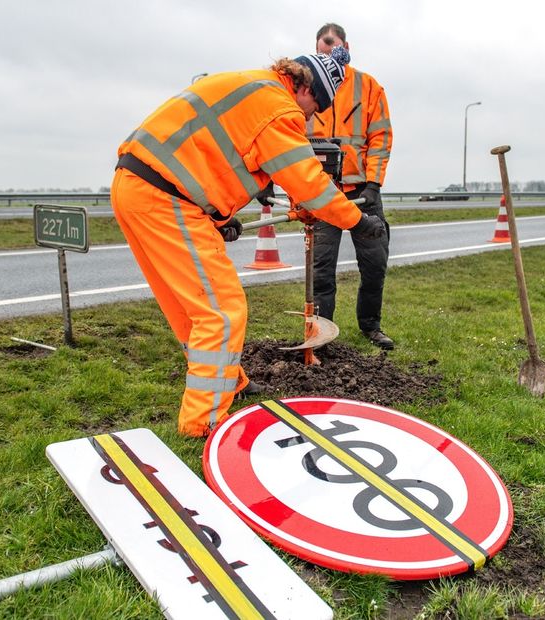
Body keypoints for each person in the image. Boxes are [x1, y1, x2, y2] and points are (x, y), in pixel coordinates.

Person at [110, 51, 386, 438]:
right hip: (165, 199)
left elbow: (209, 154)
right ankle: (203, 424)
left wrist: (219, 218)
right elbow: (308, 184)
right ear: (304, 87)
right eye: (316, 105)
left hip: (138, 187)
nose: (311, 117)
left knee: (192, 310)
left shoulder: (249, 85)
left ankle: (230, 382)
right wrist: (357, 220)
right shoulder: (278, 109)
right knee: (222, 311)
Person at [309, 23, 396, 350]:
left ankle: (371, 326)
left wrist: (373, 183)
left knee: (375, 264)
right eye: (322, 45)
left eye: (332, 43)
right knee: (320, 272)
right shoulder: (308, 89)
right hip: (324, 193)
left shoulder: (368, 87)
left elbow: (381, 137)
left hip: (363, 194)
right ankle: (320, 335)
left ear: (345, 45)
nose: (328, 49)